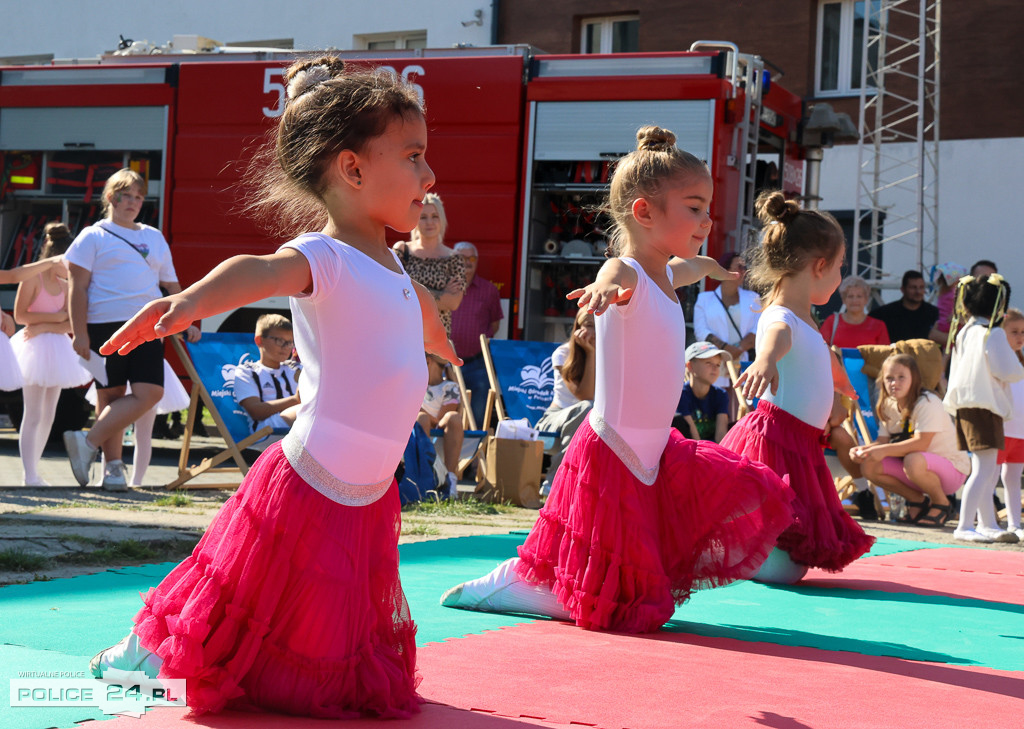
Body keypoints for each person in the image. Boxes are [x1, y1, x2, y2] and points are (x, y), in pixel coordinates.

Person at [88, 56, 458, 718]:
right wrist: (186, 303)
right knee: (233, 587)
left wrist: (437, 340)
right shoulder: (325, 255)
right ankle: (149, 650)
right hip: (310, 476)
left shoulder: (395, 264)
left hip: (369, 490)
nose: (429, 178)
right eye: (413, 157)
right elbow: (253, 269)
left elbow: (416, 311)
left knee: (310, 619)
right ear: (352, 169)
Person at [439, 126, 793, 634]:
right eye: (694, 207)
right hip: (615, 447)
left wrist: (712, 267)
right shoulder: (626, 271)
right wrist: (603, 292)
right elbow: (615, 275)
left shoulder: (666, 275)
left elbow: (685, 269)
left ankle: (536, 583)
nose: (707, 219)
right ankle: (517, 582)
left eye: (707, 207)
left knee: (632, 566)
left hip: (652, 450)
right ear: (645, 213)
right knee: (616, 596)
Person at [721, 191, 875, 585]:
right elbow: (777, 334)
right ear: (820, 266)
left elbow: (817, 363)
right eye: (840, 268)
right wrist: (765, 359)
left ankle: (751, 550)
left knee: (792, 563)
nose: (841, 279)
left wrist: (838, 397)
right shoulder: (782, 315)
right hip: (778, 441)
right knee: (781, 568)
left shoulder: (809, 321)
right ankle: (741, 549)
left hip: (801, 441)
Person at [63, 168, 197, 490]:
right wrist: (79, 332)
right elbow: (76, 288)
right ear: (111, 197)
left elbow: (172, 284)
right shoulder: (91, 236)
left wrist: (187, 317)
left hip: (148, 325)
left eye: (139, 197)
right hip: (103, 324)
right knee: (110, 395)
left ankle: (87, 441)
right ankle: (113, 469)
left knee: (150, 392)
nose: (134, 202)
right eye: (127, 196)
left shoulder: (153, 236)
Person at [944, 273, 1024, 543]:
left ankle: (987, 523)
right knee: (984, 469)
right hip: (984, 406)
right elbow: (1007, 369)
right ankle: (965, 525)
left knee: (985, 468)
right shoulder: (993, 333)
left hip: (967, 406)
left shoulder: (965, 331)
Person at [10, 223, 91, 485]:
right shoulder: (33, 279)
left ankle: (34, 469)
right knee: (32, 412)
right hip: (33, 349)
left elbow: (72, 323)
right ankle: (28, 473)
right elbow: (21, 315)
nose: (70, 269)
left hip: (57, 347)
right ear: (54, 257)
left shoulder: (68, 284)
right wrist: (53, 318)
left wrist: (46, 324)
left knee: (49, 414)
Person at [850, 354, 969, 527]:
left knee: (913, 459)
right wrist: (864, 450)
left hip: (952, 469)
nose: (894, 383)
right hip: (915, 468)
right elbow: (882, 442)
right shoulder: (888, 404)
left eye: (901, 377)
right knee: (869, 464)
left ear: (914, 379)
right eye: (889, 378)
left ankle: (942, 503)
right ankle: (917, 501)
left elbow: (922, 443)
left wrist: (882, 451)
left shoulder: (928, 402)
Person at [84, 359, 193, 487]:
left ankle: (133, 480)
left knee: (140, 433)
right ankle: (112, 476)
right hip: (140, 369)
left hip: (147, 370)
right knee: (129, 432)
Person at [535, 307, 595, 494]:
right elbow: (584, 395)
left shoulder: (611, 355)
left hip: (590, 423)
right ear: (578, 328)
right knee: (587, 408)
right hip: (553, 422)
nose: (595, 332)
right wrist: (591, 354)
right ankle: (556, 480)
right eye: (590, 326)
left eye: (600, 326)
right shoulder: (563, 354)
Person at [394, 192, 466, 336]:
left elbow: (453, 303)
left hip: (437, 339)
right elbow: (394, 293)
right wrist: (441, 295)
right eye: (423, 217)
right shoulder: (402, 250)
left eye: (434, 216)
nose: (429, 222)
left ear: (442, 220)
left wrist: (410, 290)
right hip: (404, 334)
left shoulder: (455, 258)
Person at [449, 240, 503, 427]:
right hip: (446, 366)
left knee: (477, 420)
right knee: (446, 417)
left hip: (478, 366)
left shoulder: (489, 291)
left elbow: (494, 325)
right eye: (462, 258)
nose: (467, 262)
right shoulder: (443, 289)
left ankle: (474, 455)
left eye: (471, 258)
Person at [693, 250, 760, 389]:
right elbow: (701, 332)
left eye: (744, 267)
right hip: (713, 365)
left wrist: (738, 349)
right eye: (739, 267)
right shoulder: (704, 300)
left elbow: (758, 329)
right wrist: (725, 350)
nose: (744, 271)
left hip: (741, 364)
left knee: (740, 403)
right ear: (725, 270)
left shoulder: (753, 298)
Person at [0, 257, 66, 392]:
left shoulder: (65, 286)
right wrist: (50, 262)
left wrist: (2, 314)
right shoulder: (34, 280)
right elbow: (12, 276)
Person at [232, 313, 301, 435]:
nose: (286, 347)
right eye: (280, 341)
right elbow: (256, 411)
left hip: (296, 425)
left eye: (290, 342)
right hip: (265, 431)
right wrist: (295, 400)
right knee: (307, 411)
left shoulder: (296, 369)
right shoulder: (247, 372)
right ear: (260, 340)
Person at [418, 352, 463, 498]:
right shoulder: (415, 383)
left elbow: (440, 420)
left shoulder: (449, 387)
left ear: (428, 361)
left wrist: (419, 409)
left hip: (441, 433)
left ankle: (450, 479)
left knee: (453, 417)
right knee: (422, 419)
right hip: (417, 430)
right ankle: (424, 477)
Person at [998, 307, 1024, 540]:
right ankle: (985, 521)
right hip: (1001, 430)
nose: (1020, 337)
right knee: (988, 476)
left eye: (1023, 332)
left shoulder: (1021, 363)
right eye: (1014, 331)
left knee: (1013, 479)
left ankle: (1015, 524)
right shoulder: (997, 362)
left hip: (1020, 432)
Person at [675, 341, 731, 443]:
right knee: (678, 421)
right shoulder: (680, 394)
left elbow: (721, 436)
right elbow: (693, 437)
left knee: (740, 425)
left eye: (718, 365)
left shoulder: (721, 394)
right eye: (708, 363)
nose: (715, 368)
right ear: (690, 366)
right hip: (690, 449)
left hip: (713, 449)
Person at [868, 270, 939, 343]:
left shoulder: (934, 314)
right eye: (913, 287)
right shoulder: (885, 314)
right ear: (903, 289)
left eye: (921, 287)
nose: (918, 291)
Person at [819, 275, 890, 347]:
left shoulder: (878, 326)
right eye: (850, 296)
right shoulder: (831, 322)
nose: (855, 300)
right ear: (843, 299)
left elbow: (885, 356)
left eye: (859, 296)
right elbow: (820, 349)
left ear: (866, 299)